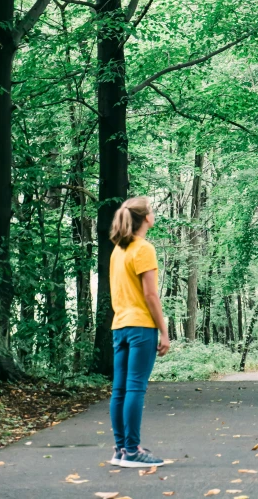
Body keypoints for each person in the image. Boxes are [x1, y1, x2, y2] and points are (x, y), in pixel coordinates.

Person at [108, 196, 170, 468]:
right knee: (135, 388)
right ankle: (132, 451)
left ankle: (121, 449)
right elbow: (150, 295)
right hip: (141, 326)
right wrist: (164, 331)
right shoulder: (143, 248)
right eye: (152, 211)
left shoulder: (118, 251)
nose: (153, 214)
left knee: (119, 390)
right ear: (145, 218)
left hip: (119, 326)